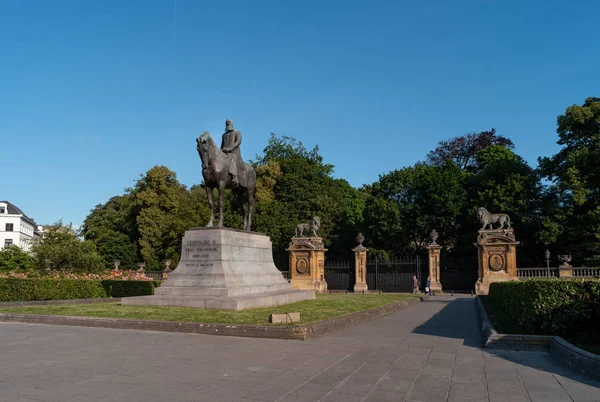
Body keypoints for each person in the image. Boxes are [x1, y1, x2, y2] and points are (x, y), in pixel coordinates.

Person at [220, 119, 246, 188]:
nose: (228, 124)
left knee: (232, 159)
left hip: (234, 152)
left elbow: (238, 141)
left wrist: (230, 148)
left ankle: (235, 177)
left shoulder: (237, 132)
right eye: (226, 123)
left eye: (229, 123)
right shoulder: (224, 135)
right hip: (224, 153)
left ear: (232, 124)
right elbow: (222, 146)